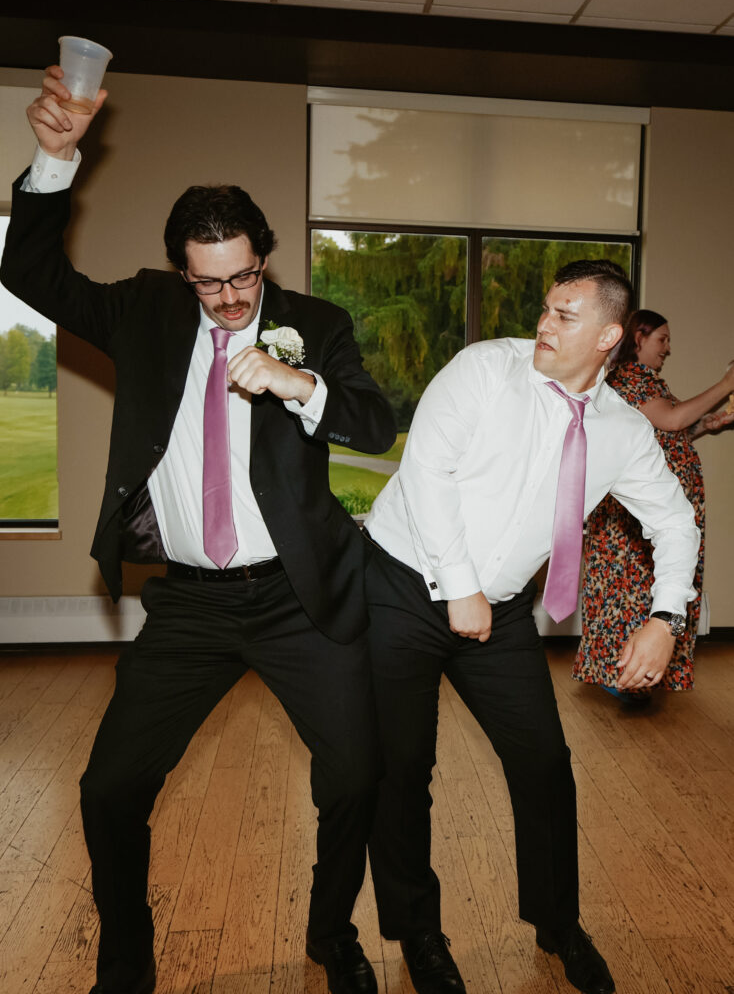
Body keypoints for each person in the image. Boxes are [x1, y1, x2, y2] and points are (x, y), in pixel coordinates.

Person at [0, 66, 396, 994]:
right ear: (184, 269)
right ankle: (126, 961)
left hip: (302, 596)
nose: (228, 299)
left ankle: (331, 933)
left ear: (265, 256)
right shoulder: (144, 309)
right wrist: (54, 158)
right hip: (191, 607)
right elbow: (28, 270)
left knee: (354, 778)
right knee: (108, 790)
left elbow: (375, 427)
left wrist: (301, 385)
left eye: (244, 276)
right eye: (207, 281)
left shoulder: (316, 324)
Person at [362, 261, 700, 994]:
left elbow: (674, 520)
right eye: (547, 308)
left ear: (610, 335)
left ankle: (558, 924)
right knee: (403, 770)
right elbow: (425, 472)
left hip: (500, 611)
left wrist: (665, 618)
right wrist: (459, 588)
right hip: (398, 588)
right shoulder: (486, 369)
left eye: (566, 315)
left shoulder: (622, 430)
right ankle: (418, 933)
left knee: (544, 766)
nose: (545, 323)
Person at [576, 309, 734, 703]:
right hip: (636, 514)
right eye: (661, 339)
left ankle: (640, 671)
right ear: (638, 337)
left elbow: (671, 434)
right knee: (628, 594)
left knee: (647, 591)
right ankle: (626, 673)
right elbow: (674, 419)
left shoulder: (650, 381)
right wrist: (726, 384)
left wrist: (707, 426)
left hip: (658, 508)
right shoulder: (628, 378)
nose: (668, 348)